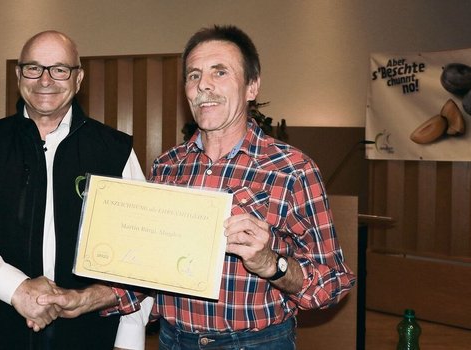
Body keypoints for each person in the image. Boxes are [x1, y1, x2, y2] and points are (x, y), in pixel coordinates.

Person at [40, 25, 357, 349]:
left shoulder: (292, 170)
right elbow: (145, 275)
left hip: (256, 342)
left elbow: (333, 283)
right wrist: (82, 299)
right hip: (174, 340)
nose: (203, 84)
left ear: (252, 86)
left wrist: (271, 264)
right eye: (193, 75)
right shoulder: (168, 167)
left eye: (220, 72)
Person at [0, 30, 145, 349]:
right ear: (19, 74)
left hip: (89, 335)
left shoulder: (114, 152)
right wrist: (17, 288)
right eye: (34, 68)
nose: (45, 80)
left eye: (59, 69)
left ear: (78, 78)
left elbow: (136, 248)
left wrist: (129, 338)